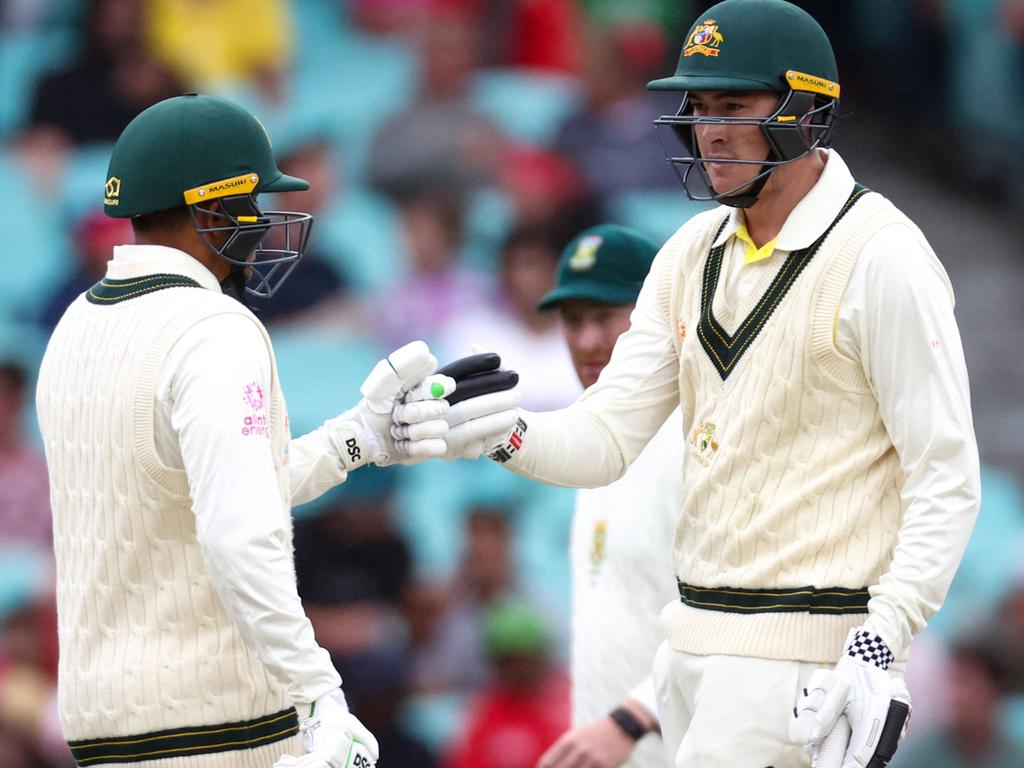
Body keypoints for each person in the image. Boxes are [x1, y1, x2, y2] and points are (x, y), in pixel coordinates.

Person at [442, 2, 981, 766]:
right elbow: (604, 436)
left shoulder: (881, 256)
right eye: (697, 107)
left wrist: (879, 636)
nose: (709, 128)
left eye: (734, 104)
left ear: (805, 110)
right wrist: (495, 430)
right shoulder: (691, 252)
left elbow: (946, 476)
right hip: (687, 647)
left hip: (801, 658)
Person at [34, 94, 493, 768]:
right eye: (252, 205)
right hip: (216, 724)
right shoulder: (214, 328)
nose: (266, 224)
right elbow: (238, 533)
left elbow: (198, 491)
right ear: (210, 209)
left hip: (103, 723)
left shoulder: (74, 327)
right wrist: (319, 691)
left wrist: (356, 440)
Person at [534, 225, 681, 768]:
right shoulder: (589, 446)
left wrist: (629, 720)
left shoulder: (699, 438)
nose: (587, 342)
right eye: (573, 321)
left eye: (604, 317)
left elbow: (730, 613)